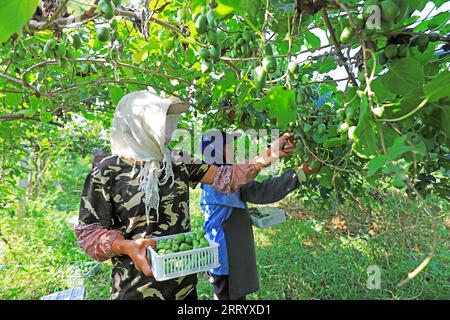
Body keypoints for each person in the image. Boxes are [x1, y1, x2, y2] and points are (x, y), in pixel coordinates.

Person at [73, 90, 296, 300]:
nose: (168, 130)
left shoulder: (179, 161)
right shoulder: (106, 173)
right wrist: (126, 247)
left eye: (169, 122)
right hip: (135, 288)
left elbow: (228, 177)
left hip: (183, 286)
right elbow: (88, 233)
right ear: (136, 126)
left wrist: (271, 154)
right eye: (161, 122)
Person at [200, 130, 320, 300]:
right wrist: (300, 173)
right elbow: (260, 192)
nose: (233, 150)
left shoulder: (227, 178)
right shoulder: (216, 184)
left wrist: (298, 173)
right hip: (226, 258)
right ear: (218, 151)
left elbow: (257, 190)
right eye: (229, 146)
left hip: (232, 255)